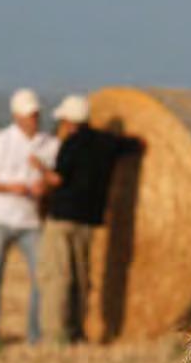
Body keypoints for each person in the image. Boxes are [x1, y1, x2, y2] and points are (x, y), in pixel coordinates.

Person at [32, 94, 143, 343]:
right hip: (89, 220)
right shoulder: (107, 142)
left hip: (62, 218)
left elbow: (58, 179)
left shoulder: (71, 143)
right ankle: (78, 330)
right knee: (82, 277)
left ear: (69, 121)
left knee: (57, 276)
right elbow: (137, 144)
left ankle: (54, 334)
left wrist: (39, 168)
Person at [0, 88, 59, 344]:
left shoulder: (50, 144)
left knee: (41, 278)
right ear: (16, 116)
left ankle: (36, 335)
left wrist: (43, 185)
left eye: (35, 114)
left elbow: (57, 180)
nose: (33, 119)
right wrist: (12, 188)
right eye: (28, 115)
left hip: (31, 221)